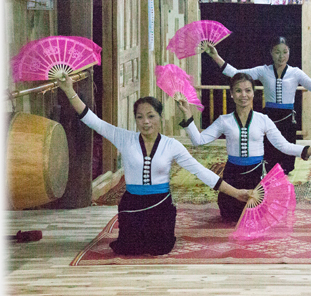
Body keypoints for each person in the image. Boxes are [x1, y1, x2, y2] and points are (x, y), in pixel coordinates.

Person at [56, 75, 251, 256]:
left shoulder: (172, 145)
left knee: (160, 248)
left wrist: (235, 192)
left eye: (151, 116)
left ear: (160, 117)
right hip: (132, 205)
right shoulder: (124, 138)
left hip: (160, 206)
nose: (145, 122)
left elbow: (200, 171)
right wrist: (68, 89)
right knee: (128, 249)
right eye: (140, 117)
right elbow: (92, 120)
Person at [176, 72, 311, 222]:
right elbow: (198, 140)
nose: (243, 95)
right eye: (238, 90)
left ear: (253, 93)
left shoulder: (263, 120)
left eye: (248, 90)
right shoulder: (224, 121)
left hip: (255, 176)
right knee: (230, 216)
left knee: (256, 216)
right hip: (232, 177)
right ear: (231, 94)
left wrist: (309, 150)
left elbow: (284, 146)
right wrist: (187, 114)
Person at [203, 36, 311, 175]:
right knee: (269, 160)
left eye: (285, 52)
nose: (281, 56)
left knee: (287, 161)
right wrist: (215, 56)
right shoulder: (263, 71)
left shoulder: (295, 72)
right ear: (271, 52)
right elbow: (236, 74)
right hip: (269, 117)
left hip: (288, 118)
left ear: (289, 52)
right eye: (277, 52)